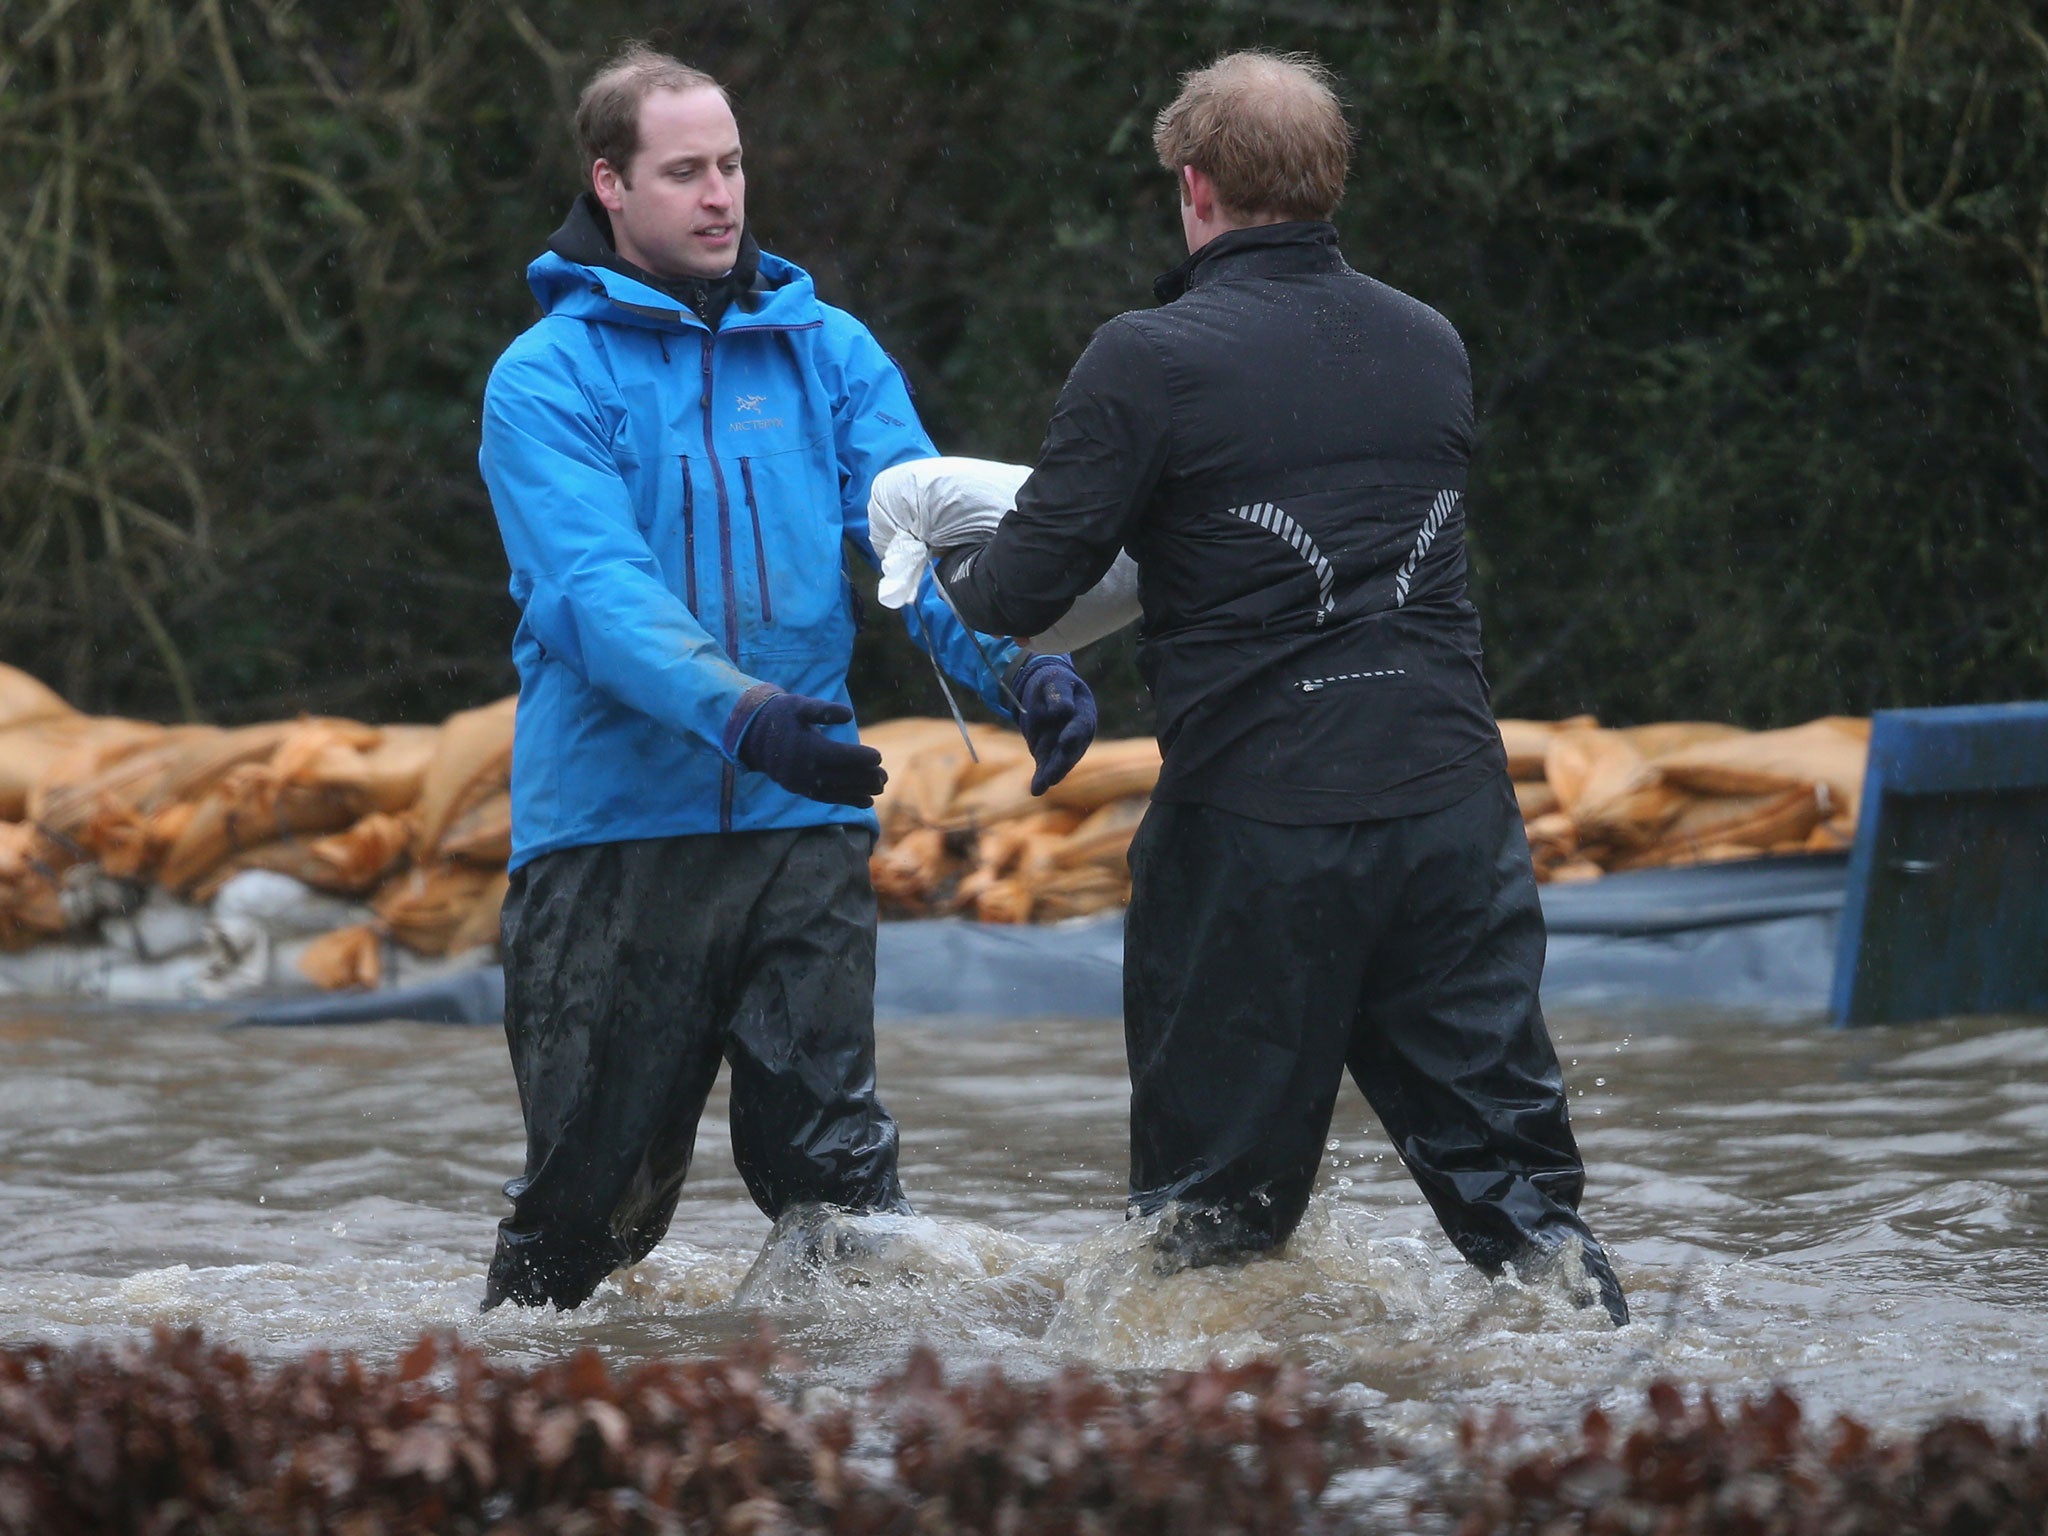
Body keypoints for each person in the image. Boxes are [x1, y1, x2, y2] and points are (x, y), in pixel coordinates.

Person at [935, 51, 1628, 1324]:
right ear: (1330, 181)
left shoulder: (1146, 358)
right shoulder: (1429, 344)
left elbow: (1026, 592)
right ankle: (1617, 1404)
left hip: (1256, 835)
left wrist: (939, 550)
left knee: (1205, 1237)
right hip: (1449, 818)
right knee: (1525, 1213)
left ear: (1192, 187)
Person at [475, 44, 1096, 1310]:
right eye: (685, 172)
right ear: (610, 185)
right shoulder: (543, 379)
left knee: (840, 1194)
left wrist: (1018, 666)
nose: (721, 196)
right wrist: (744, 712)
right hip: (610, 838)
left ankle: (859, 1462)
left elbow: (918, 539)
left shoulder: (830, 351)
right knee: (589, 1217)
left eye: (733, 165)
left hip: (800, 830)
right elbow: (595, 595)